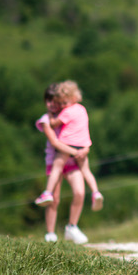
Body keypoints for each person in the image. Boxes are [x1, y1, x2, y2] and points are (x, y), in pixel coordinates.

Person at [35, 80, 104, 212]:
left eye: (64, 103)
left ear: (72, 99)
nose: (62, 105)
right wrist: (85, 147)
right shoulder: (82, 109)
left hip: (67, 143)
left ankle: (48, 192)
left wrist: (49, 115)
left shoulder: (67, 112)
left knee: (57, 167)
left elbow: (54, 124)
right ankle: (96, 192)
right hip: (83, 145)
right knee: (86, 171)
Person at [35, 83, 89, 244]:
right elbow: (55, 142)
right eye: (49, 101)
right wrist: (76, 151)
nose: (52, 104)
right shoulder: (46, 120)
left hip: (72, 161)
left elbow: (82, 132)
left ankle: (72, 227)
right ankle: (50, 233)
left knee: (79, 192)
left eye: (55, 101)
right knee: (54, 198)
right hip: (56, 161)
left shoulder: (69, 113)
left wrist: (86, 148)